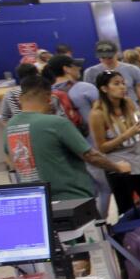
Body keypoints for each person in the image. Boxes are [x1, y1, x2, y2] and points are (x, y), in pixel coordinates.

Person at [5, 75, 131, 202]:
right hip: (71, 199)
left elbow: (11, 160)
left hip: (36, 200)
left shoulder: (11, 126)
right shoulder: (56, 123)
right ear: (49, 97)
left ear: (20, 98)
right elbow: (90, 156)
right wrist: (118, 167)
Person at [44, 54, 109, 216]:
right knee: (105, 188)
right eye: (75, 65)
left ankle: (87, 224)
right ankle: (101, 223)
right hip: (91, 146)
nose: (79, 68)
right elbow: (104, 113)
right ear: (66, 68)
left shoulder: (48, 95)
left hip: (67, 152)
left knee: (85, 191)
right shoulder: (85, 88)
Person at [90, 70, 140, 213]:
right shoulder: (97, 114)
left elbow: (137, 127)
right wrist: (127, 134)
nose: (122, 87)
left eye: (123, 83)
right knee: (127, 209)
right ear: (104, 88)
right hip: (118, 167)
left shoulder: (128, 104)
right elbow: (102, 147)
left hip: (138, 162)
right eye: (116, 84)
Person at [83, 40, 140, 141]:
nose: (106, 60)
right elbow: (92, 101)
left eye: (110, 57)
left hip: (133, 117)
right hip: (108, 121)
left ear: (116, 53)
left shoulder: (132, 70)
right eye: (102, 57)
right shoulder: (90, 73)